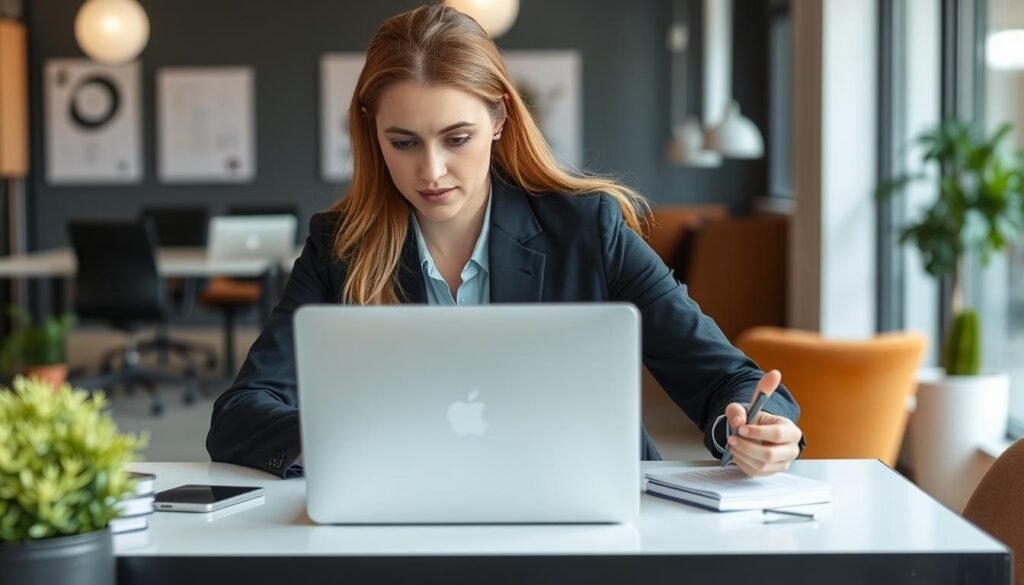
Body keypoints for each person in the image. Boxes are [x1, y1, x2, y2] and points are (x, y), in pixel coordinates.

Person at [206, 4, 804, 480]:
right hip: (409, 517)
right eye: (404, 142)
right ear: (374, 136)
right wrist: (352, 445)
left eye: (456, 137)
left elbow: (727, 379)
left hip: (587, 519)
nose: (432, 171)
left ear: (499, 120)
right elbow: (239, 415)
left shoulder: (588, 229)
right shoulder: (340, 246)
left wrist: (755, 429)